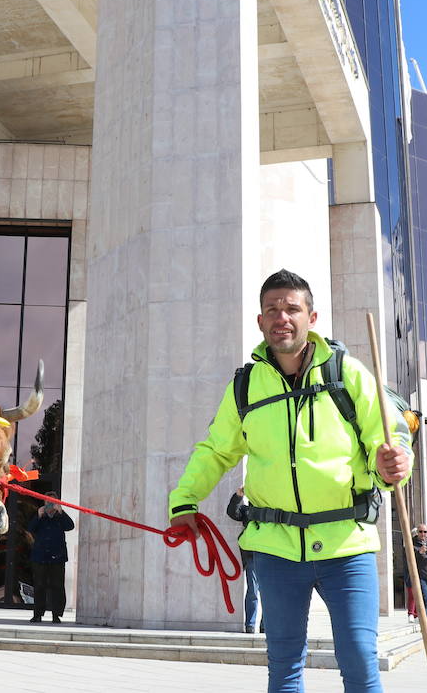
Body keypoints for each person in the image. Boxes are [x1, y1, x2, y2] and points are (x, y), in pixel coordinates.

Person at [169, 269, 413, 693]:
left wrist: (394, 466)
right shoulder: (245, 387)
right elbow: (215, 450)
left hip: (346, 544)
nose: (282, 316)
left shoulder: (347, 373)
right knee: (284, 664)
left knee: (358, 656)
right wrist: (184, 501)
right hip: (275, 548)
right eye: (272, 309)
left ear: (311, 318)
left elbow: (385, 438)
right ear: (260, 321)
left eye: (292, 308)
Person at [26, 495, 74, 623]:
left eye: (52, 502)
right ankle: (37, 614)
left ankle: (56, 614)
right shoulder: (40, 516)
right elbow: (30, 528)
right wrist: (38, 516)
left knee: (57, 586)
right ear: (44, 502)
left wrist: (61, 512)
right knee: (39, 586)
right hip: (39, 557)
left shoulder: (60, 517)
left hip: (57, 557)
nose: (50, 505)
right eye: (47, 502)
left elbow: (70, 526)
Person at [228, 486, 262, 634]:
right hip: (252, 555)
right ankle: (250, 624)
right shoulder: (247, 511)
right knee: (253, 591)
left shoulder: (271, 509)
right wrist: (238, 496)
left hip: (271, 555)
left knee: (270, 592)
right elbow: (233, 512)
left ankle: (265, 625)